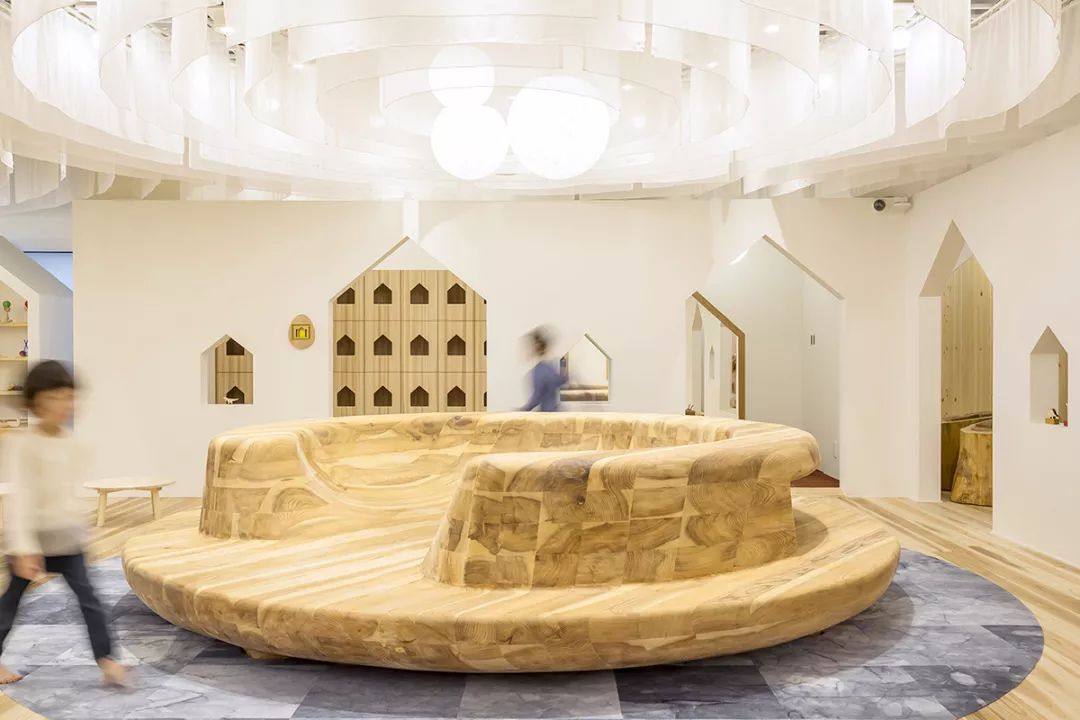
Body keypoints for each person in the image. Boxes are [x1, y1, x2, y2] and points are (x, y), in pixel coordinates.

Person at [0, 361, 128, 687]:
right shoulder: (23, 444)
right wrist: (22, 548)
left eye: (69, 397)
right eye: (54, 397)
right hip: (30, 540)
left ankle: (107, 660)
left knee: (89, 599)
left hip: (66, 539)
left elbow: (67, 497)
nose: (64, 405)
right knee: (10, 603)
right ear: (36, 402)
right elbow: (21, 499)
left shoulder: (74, 444)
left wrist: (82, 533)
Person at [520, 327, 564, 412]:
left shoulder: (541, 370)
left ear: (537, 346)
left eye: (529, 346)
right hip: (554, 412)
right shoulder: (551, 367)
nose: (526, 350)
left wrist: (522, 410)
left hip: (549, 414)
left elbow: (536, 397)